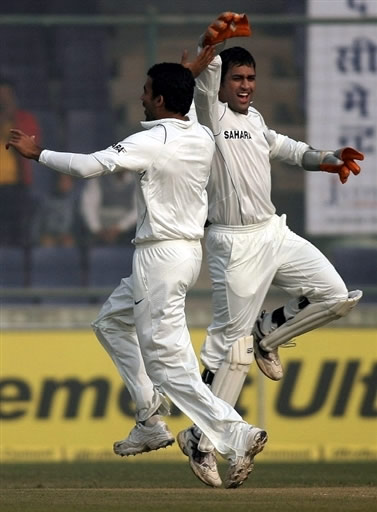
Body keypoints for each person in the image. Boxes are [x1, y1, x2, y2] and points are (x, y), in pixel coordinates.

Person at [6, 60, 268, 489]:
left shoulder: (157, 137)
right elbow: (186, 104)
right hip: (183, 255)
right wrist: (187, 73)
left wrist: (40, 154)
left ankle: (236, 435)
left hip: (160, 258)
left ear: (161, 100)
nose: (141, 97)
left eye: (147, 92)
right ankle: (149, 419)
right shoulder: (201, 134)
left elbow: (91, 166)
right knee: (110, 322)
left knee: (169, 368)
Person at [176, 12, 364, 484]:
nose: (245, 86)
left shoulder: (255, 120)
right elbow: (204, 74)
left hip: (272, 232)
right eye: (237, 78)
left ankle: (269, 334)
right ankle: (202, 443)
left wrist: (328, 160)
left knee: (336, 296)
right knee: (232, 354)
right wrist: (210, 41)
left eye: (251, 78)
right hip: (233, 242)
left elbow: (288, 148)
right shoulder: (210, 113)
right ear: (222, 85)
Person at [0, 77, 41, 246]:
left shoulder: (25, 119)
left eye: (6, 94)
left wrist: (11, 118)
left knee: (16, 236)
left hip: (15, 186)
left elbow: (31, 146)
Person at [79, 170, 137, 246]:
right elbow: (88, 206)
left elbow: (138, 210)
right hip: (100, 233)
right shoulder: (98, 178)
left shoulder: (137, 180)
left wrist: (120, 227)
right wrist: (97, 229)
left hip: (127, 234)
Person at [31, 173, 79, 247]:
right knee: (47, 245)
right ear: (56, 182)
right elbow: (36, 224)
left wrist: (74, 238)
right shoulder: (45, 201)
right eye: (62, 180)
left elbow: (80, 227)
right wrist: (39, 238)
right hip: (47, 237)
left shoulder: (76, 203)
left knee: (68, 244)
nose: (64, 184)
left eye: (68, 181)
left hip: (67, 238)